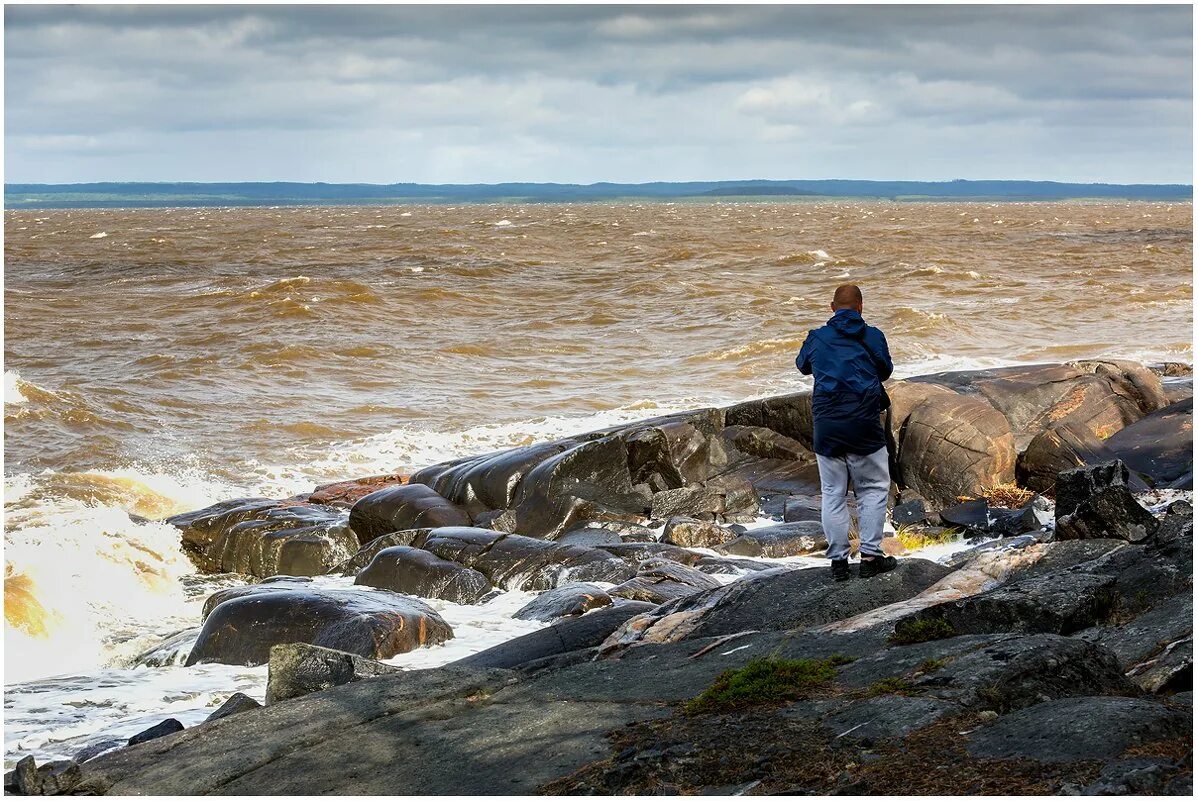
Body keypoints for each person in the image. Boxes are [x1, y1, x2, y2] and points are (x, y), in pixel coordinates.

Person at [796, 284, 897, 582]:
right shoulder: (873, 336)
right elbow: (885, 370)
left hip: (827, 425)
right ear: (861, 307)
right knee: (874, 489)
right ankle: (870, 557)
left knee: (832, 493)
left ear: (832, 307)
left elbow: (802, 366)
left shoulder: (817, 338)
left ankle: (838, 562)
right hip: (864, 423)